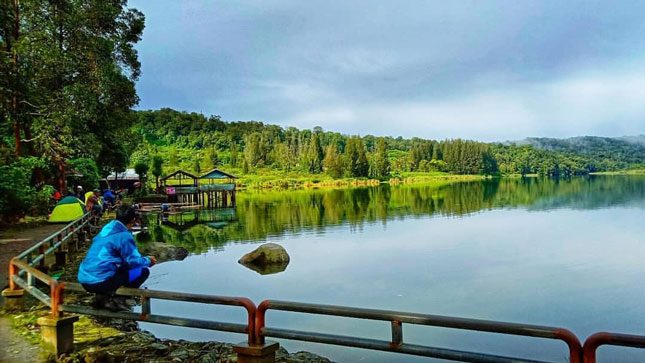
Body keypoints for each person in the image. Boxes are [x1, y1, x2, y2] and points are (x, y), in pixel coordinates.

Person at [78, 204, 157, 311]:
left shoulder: (106, 229)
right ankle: (120, 298)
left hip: (84, 278)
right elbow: (133, 261)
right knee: (142, 271)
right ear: (133, 220)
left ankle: (102, 298)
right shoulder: (124, 236)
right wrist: (148, 260)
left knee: (122, 268)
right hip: (100, 282)